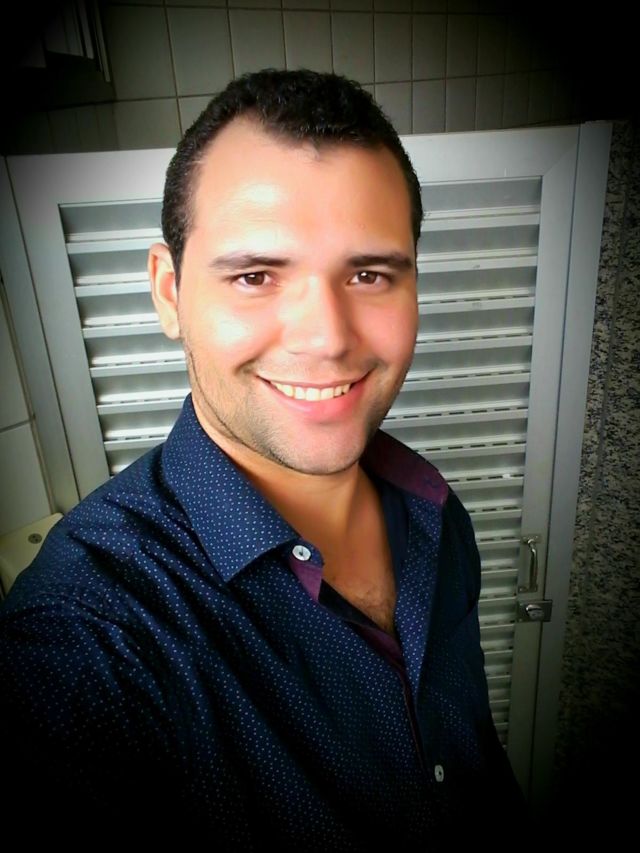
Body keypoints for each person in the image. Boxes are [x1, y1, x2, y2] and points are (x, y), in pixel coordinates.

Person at [0, 69, 527, 849]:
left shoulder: (435, 514)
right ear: (170, 292)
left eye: (369, 274)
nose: (327, 337)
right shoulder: (84, 644)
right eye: (255, 276)